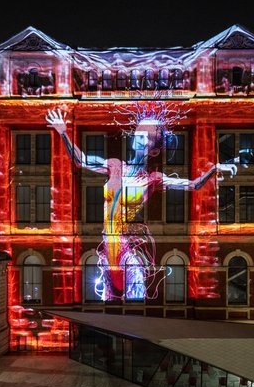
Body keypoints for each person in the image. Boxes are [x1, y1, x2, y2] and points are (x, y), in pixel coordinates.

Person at [46, 108, 239, 301]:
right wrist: (63, 131)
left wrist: (213, 169)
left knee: (134, 312)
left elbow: (194, 185)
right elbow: (80, 160)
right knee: (107, 317)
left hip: (128, 255)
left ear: (154, 150)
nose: (139, 138)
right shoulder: (115, 166)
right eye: (138, 133)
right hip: (107, 255)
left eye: (146, 137)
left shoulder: (152, 179)